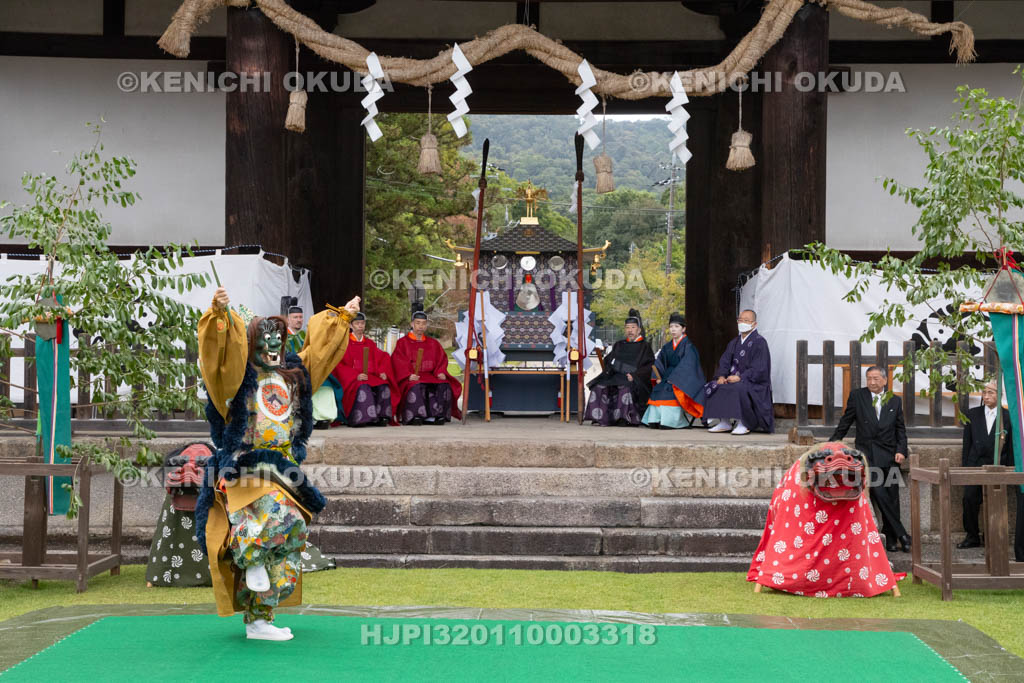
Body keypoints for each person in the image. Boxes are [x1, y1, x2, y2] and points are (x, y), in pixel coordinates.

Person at [195, 286, 358, 641]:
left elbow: (322, 352)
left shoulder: (293, 373)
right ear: (251, 344)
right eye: (264, 340)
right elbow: (216, 358)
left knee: (293, 534)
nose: (272, 347)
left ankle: (259, 619)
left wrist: (340, 318)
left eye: (278, 340)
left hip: (284, 468)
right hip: (247, 465)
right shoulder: (238, 377)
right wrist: (220, 316)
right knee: (279, 514)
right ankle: (250, 555)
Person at [830, 365, 911, 552]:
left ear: (884, 380)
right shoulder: (858, 396)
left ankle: (891, 538)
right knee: (878, 491)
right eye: (869, 378)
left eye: (876, 379)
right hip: (867, 454)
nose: (872, 382)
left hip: (890, 454)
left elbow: (901, 429)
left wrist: (902, 450)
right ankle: (903, 534)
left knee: (891, 496)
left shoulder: (895, 401)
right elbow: (846, 421)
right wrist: (833, 442)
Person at [959, 380, 1014, 549]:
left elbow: (1011, 445)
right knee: (969, 499)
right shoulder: (972, 414)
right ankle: (972, 535)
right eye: (984, 393)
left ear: (1000, 395)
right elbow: (966, 443)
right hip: (975, 463)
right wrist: (965, 467)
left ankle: (993, 536)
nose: (987, 396)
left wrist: (1010, 468)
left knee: (995, 501)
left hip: (998, 464)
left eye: (991, 392)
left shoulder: (1007, 416)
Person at [703, 309, 774, 434]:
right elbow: (724, 362)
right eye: (740, 320)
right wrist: (721, 376)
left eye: (746, 320)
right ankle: (724, 422)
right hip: (733, 379)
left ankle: (744, 423)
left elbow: (760, 368)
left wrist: (740, 377)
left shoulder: (759, 342)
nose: (742, 323)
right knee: (716, 385)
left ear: (754, 324)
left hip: (753, 382)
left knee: (739, 388)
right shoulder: (734, 342)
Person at [392, 303, 462, 424]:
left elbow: (441, 359)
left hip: (430, 375)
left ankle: (436, 415)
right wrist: (408, 375)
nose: (421, 326)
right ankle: (414, 416)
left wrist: (440, 372)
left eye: (423, 323)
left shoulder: (433, 343)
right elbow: (398, 361)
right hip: (412, 376)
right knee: (415, 385)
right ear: (412, 324)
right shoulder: (402, 343)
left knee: (443, 384)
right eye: (418, 323)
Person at [585, 309, 655, 426]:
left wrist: (635, 376)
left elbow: (648, 366)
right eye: (627, 328)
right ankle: (601, 418)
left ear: (638, 330)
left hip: (633, 378)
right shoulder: (619, 344)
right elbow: (609, 361)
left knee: (625, 388)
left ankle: (625, 418)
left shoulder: (645, 346)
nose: (630, 331)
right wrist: (610, 367)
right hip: (616, 376)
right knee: (599, 386)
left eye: (633, 328)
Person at [331, 312, 399, 426]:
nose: (360, 326)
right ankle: (362, 418)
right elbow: (339, 365)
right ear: (351, 326)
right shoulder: (344, 343)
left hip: (370, 375)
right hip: (353, 379)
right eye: (357, 323)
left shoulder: (369, 343)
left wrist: (382, 371)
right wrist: (355, 375)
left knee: (383, 384)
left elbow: (382, 357)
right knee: (363, 385)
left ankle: (381, 417)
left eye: (362, 323)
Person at [642, 312, 705, 429]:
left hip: (682, 378)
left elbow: (689, 365)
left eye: (677, 327)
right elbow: (659, 362)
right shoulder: (667, 346)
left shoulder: (689, 346)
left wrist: (675, 379)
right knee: (658, 389)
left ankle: (671, 421)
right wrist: (658, 377)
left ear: (683, 329)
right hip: (667, 376)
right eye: (671, 327)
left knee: (669, 390)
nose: (673, 330)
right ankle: (655, 419)